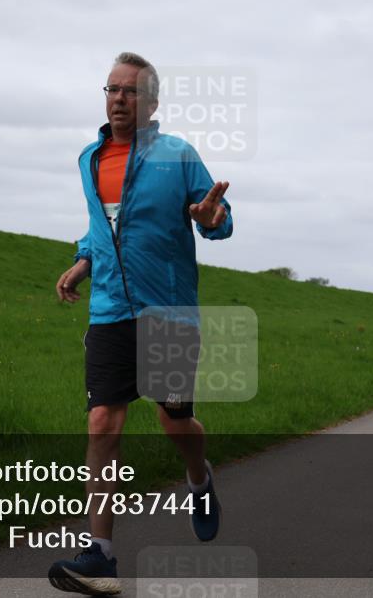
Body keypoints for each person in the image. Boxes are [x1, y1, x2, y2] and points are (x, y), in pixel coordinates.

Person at [50, 53, 232, 595]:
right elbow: (100, 225)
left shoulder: (176, 155)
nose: (118, 98)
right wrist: (84, 261)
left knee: (175, 423)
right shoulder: (89, 158)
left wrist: (210, 218)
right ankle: (101, 556)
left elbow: (219, 217)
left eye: (130, 91)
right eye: (111, 89)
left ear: (151, 102)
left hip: (167, 311)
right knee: (102, 422)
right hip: (108, 309)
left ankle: (199, 479)